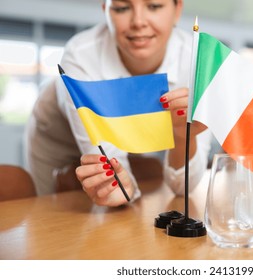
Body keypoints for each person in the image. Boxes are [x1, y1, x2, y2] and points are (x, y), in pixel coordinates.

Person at [25, 0, 212, 207]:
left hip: (128, 133)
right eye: (122, 8)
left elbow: (183, 188)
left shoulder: (198, 59)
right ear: (106, 11)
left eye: (154, 6)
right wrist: (122, 188)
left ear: (177, 10)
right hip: (57, 139)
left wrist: (182, 137)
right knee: (50, 212)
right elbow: (111, 163)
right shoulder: (81, 55)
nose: (138, 22)